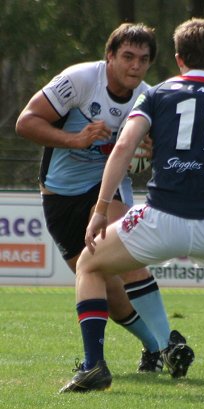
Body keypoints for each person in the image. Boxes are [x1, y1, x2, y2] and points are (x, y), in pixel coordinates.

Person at [58, 17, 204, 393]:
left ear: (178, 58)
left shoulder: (157, 95)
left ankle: (93, 366)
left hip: (160, 221)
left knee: (89, 265)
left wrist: (101, 209)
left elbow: (123, 148)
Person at [15, 23, 189, 375]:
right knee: (106, 289)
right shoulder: (79, 81)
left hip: (108, 188)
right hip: (60, 194)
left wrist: (150, 151)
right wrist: (75, 140)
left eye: (143, 59)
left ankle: (168, 344)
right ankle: (154, 346)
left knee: (126, 255)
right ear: (109, 56)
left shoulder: (149, 98)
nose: (135, 66)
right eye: (127, 56)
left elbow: (158, 155)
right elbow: (26, 122)